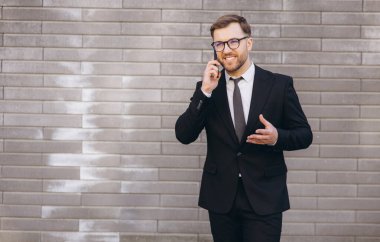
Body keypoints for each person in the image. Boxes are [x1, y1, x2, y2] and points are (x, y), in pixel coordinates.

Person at [175, 15, 313, 242]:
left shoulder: (279, 85)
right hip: (221, 197)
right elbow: (184, 134)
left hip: (264, 195)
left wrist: (277, 137)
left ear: (249, 43)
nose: (226, 49)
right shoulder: (209, 88)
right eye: (219, 44)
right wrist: (205, 92)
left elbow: (304, 135)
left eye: (233, 41)